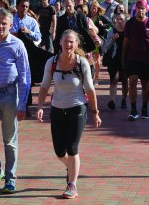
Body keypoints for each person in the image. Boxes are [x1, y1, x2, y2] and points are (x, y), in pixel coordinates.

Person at [36, 29, 102, 199]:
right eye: (66, 41)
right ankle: (72, 167)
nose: (68, 44)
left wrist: (95, 112)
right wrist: (40, 106)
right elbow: (44, 86)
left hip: (77, 109)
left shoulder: (82, 63)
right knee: (59, 151)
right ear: (60, 43)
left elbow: (90, 89)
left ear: (77, 44)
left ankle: (72, 184)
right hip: (57, 109)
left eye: (72, 41)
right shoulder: (52, 62)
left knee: (72, 148)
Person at [0, 8, 31, 193]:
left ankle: (10, 179)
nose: (1, 25)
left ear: (11, 25)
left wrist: (22, 104)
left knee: (9, 139)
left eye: (4, 23)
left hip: (9, 94)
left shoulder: (17, 45)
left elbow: (24, 76)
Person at [122, 0, 149, 120]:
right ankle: (133, 110)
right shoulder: (130, 23)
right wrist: (123, 57)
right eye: (138, 8)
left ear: (146, 10)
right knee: (132, 81)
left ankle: (144, 108)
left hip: (147, 58)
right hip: (133, 58)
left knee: (145, 84)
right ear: (135, 10)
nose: (140, 10)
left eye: (142, 8)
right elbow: (126, 41)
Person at [103, 13, 128, 110]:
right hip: (114, 59)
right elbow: (105, 47)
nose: (119, 21)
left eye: (121, 19)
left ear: (125, 20)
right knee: (114, 79)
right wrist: (112, 40)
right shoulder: (111, 31)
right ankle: (112, 100)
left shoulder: (128, 31)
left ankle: (124, 100)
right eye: (118, 19)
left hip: (125, 59)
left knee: (125, 81)